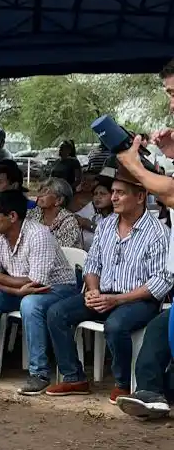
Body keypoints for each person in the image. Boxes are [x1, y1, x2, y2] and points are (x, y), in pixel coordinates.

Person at [45, 166, 171, 402]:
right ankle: (74, 378)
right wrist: (93, 291)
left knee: (116, 325)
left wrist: (118, 299)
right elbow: (92, 265)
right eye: (113, 192)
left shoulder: (158, 233)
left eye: (120, 193)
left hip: (138, 300)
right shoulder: (106, 225)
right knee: (56, 312)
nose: (113, 197)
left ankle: (122, 384)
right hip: (103, 295)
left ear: (141, 197)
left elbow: (161, 282)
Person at [0, 190, 79, 395]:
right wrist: (14, 290)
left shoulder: (39, 234)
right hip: (22, 290)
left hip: (59, 289)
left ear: (12, 216)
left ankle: (39, 374)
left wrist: (1, 280)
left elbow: (36, 283)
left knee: (30, 303)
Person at [25, 177, 82, 248]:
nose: (39, 195)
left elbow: (59, 251)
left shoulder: (69, 222)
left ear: (59, 200)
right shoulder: (32, 213)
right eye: (40, 191)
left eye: (45, 192)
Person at [75, 180, 113, 249]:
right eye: (95, 194)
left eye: (103, 194)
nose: (98, 197)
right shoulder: (93, 208)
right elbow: (75, 216)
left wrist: (91, 225)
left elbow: (111, 235)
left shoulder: (118, 216)